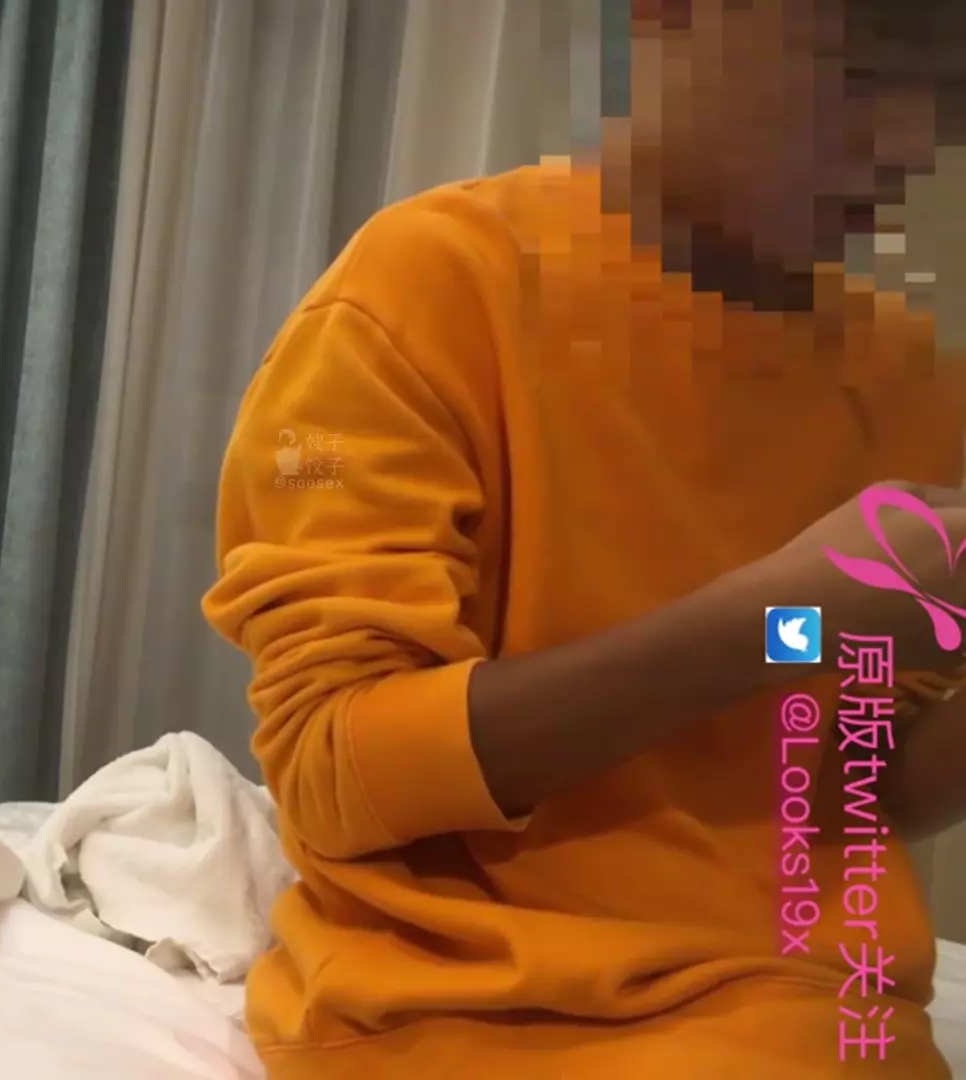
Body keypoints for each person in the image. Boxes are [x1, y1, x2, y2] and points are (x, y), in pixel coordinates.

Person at [202, 1, 966, 1076]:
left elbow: (863, 786)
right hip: (475, 1010)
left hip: (821, 1008)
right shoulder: (424, 288)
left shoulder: (912, 382)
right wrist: (782, 622)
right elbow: (333, 770)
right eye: (864, 68)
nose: (914, 145)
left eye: (952, 95)